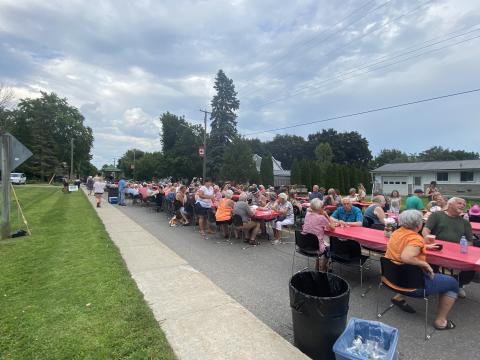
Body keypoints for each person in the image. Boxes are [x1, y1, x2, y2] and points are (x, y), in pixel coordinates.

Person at [386, 210, 458, 330]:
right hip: (412, 286)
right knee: (453, 283)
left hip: (390, 280)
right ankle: (440, 321)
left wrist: (424, 246)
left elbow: (405, 246)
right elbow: (406, 257)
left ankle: (398, 297)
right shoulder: (416, 238)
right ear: (419, 225)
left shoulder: (396, 233)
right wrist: (424, 263)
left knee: (408, 270)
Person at [423, 197, 473, 298]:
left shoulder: (465, 222)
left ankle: (459, 285)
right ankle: (432, 281)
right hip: (437, 249)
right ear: (450, 204)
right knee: (427, 263)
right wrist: (427, 238)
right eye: (459, 203)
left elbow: (470, 241)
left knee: (471, 267)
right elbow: (426, 230)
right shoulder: (437, 215)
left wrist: (464, 248)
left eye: (464, 204)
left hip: (456, 252)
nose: (463, 206)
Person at [301, 198, 335, 270]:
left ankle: (317, 266)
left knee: (316, 239)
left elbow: (310, 210)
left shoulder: (307, 214)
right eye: (323, 207)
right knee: (329, 247)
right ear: (320, 208)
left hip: (304, 244)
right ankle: (323, 268)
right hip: (316, 246)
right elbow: (332, 228)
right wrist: (326, 215)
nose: (324, 208)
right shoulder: (321, 218)